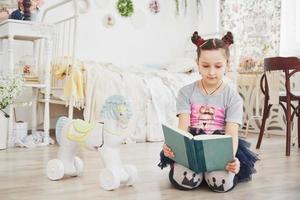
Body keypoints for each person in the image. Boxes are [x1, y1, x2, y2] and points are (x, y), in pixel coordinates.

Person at [158, 31, 258, 193]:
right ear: (197, 63)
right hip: (193, 146)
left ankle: (209, 173)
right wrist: (173, 149)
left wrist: (230, 159)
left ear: (227, 64)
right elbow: (183, 127)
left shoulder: (233, 97)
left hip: (220, 147)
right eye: (205, 66)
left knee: (221, 184)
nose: (212, 72)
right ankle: (199, 172)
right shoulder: (186, 92)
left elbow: (231, 133)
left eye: (218, 66)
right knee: (184, 182)